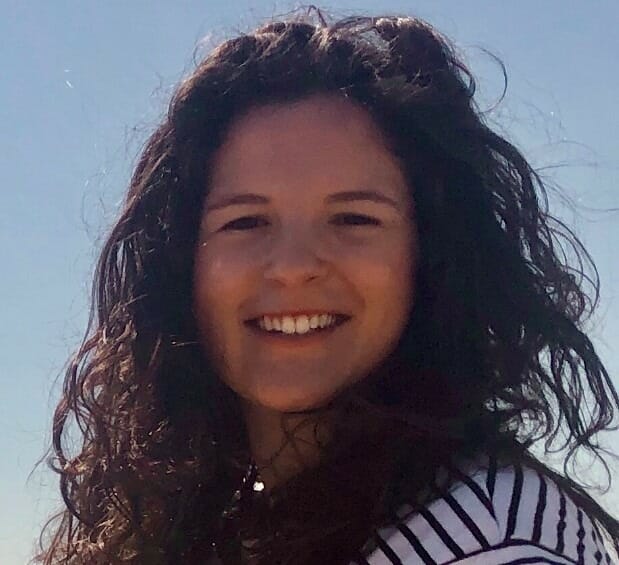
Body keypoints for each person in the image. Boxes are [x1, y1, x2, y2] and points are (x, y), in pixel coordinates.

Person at [35, 9, 619, 565]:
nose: (293, 267)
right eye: (245, 222)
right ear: (177, 263)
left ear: (430, 253)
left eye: (353, 218)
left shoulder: (489, 542)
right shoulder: (234, 523)